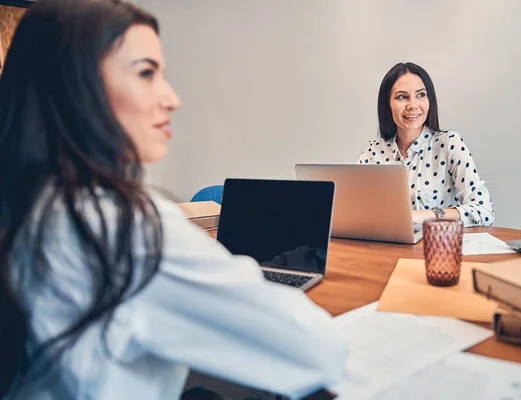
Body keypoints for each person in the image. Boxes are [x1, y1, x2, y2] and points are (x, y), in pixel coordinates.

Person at [0, 1, 346, 399]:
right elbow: (320, 352)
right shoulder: (125, 229)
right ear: (75, 84)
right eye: (146, 73)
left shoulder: (27, 204)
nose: (172, 98)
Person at [357, 62, 495, 227]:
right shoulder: (375, 151)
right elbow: (352, 208)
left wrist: (424, 216)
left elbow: (484, 210)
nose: (413, 105)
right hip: (385, 248)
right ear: (388, 105)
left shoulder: (449, 143)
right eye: (402, 97)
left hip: (436, 248)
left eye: (421, 95)